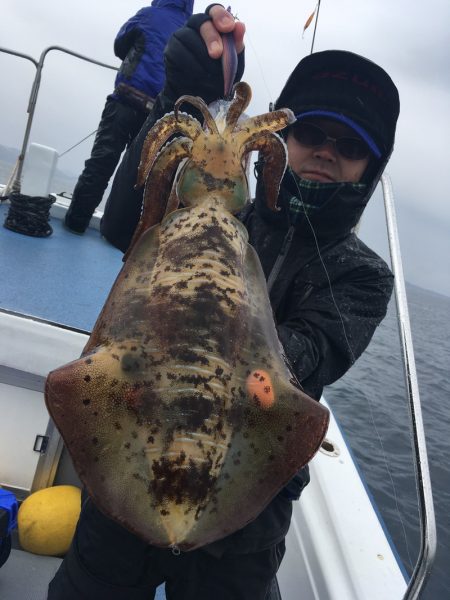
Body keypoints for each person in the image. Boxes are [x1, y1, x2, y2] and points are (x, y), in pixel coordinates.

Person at [49, 5, 400, 599]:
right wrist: (174, 97)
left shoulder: (363, 276)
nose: (324, 151)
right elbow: (125, 225)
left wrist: (204, 320)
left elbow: (310, 354)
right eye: (311, 133)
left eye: (349, 146)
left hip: (244, 507)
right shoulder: (218, 205)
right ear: (282, 138)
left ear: (370, 167)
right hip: (128, 448)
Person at [63, 0, 194, 235]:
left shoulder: (148, 15)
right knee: (138, 179)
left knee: (101, 162)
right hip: (156, 117)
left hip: (125, 100)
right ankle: (122, 238)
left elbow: (120, 45)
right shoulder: (189, 31)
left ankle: (75, 223)